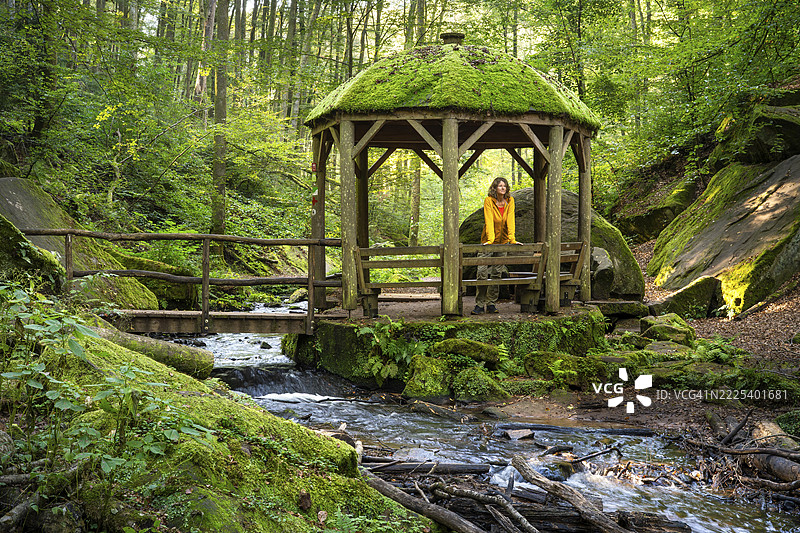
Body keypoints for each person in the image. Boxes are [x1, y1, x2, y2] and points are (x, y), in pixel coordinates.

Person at [472, 177, 521, 315]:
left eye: (504, 186)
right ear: (495, 188)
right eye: (500, 186)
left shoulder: (510, 201)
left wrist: (512, 239)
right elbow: (489, 220)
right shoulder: (489, 201)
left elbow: (510, 220)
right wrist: (491, 239)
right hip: (488, 241)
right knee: (481, 272)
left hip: (503, 241)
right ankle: (479, 304)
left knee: (496, 273)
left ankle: (491, 303)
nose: (503, 188)